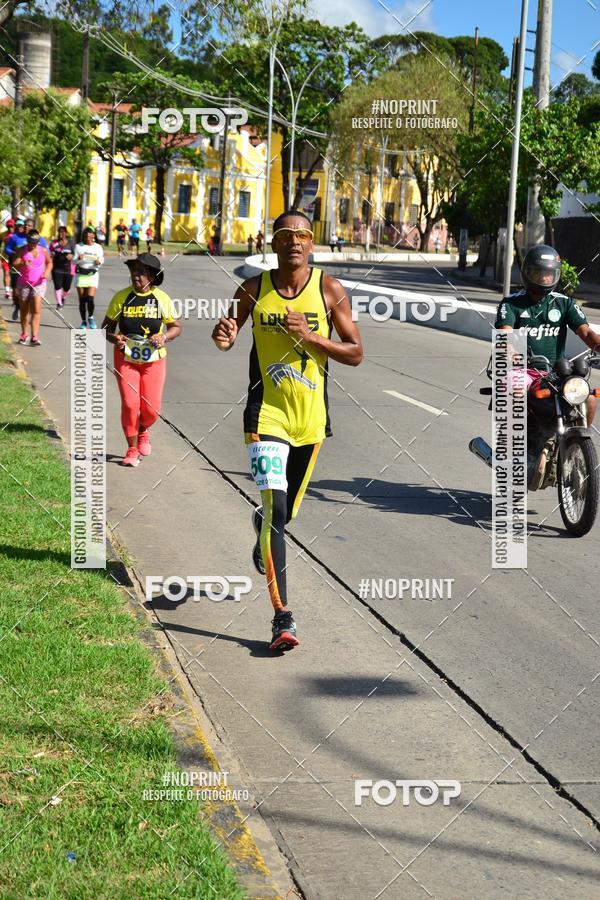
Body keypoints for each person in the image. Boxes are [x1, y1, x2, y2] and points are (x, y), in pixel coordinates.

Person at [212, 210, 363, 652]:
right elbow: (226, 335)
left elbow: (355, 353)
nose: (294, 242)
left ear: (312, 243)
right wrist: (223, 336)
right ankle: (282, 618)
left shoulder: (329, 290)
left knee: (282, 514)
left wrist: (312, 337)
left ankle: (263, 528)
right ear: (273, 243)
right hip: (266, 418)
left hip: (311, 422)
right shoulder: (253, 289)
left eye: (302, 235)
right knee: (278, 513)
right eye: (285, 235)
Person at [495, 244, 600, 424]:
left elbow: (587, 332)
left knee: (588, 398)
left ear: (556, 274)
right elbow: (505, 336)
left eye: (549, 273)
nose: (544, 277)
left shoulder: (564, 303)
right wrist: (511, 352)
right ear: (527, 273)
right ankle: (512, 447)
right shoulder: (511, 304)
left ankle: (578, 446)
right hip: (524, 370)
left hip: (557, 372)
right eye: (538, 273)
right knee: (516, 389)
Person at [101, 253, 181, 467]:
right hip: (125, 358)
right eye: (134, 271)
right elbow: (105, 329)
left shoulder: (161, 298)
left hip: (154, 360)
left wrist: (163, 336)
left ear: (152, 277)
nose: (136, 276)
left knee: (151, 409)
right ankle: (132, 448)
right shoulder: (121, 297)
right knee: (129, 403)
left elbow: (176, 328)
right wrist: (114, 338)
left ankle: (143, 429)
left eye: (142, 272)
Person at [13, 230, 52, 347]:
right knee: (24, 310)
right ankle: (24, 334)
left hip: (39, 284)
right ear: (28, 240)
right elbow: (14, 264)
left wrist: (46, 272)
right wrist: (23, 264)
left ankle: (35, 336)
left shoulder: (43, 250)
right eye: (31, 242)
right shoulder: (22, 250)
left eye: (35, 242)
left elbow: (49, 263)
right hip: (24, 283)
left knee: (36, 309)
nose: (33, 244)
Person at [73, 226, 104, 329]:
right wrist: (78, 258)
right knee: (82, 300)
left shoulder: (98, 247)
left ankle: (90, 317)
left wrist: (99, 262)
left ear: (93, 236)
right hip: (81, 275)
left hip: (93, 275)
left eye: (90, 236)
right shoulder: (79, 246)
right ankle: (83, 321)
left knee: (90, 299)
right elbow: (73, 261)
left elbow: (101, 259)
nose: (88, 238)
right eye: (86, 236)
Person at [5, 219, 28, 320]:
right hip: (15, 266)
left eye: (22, 226)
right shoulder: (14, 237)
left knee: (26, 291)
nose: (20, 227)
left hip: (27, 269)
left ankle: (25, 310)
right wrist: (15, 253)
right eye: (18, 226)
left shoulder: (31, 237)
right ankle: (17, 306)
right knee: (15, 291)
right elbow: (7, 249)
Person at [49, 226, 74, 310]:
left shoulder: (70, 243)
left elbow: (75, 254)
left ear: (66, 233)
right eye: (59, 232)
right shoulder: (53, 243)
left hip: (68, 269)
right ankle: (59, 303)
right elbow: (50, 253)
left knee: (67, 288)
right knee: (57, 286)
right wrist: (52, 254)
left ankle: (63, 297)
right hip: (57, 268)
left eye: (63, 232)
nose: (61, 234)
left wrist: (72, 255)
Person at [1, 217, 15, 303]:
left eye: (12, 226)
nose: (10, 228)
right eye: (8, 226)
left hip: (15, 259)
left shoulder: (17, 235)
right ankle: (7, 291)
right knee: (6, 273)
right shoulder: (3, 234)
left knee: (13, 276)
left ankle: (13, 291)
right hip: (5, 257)